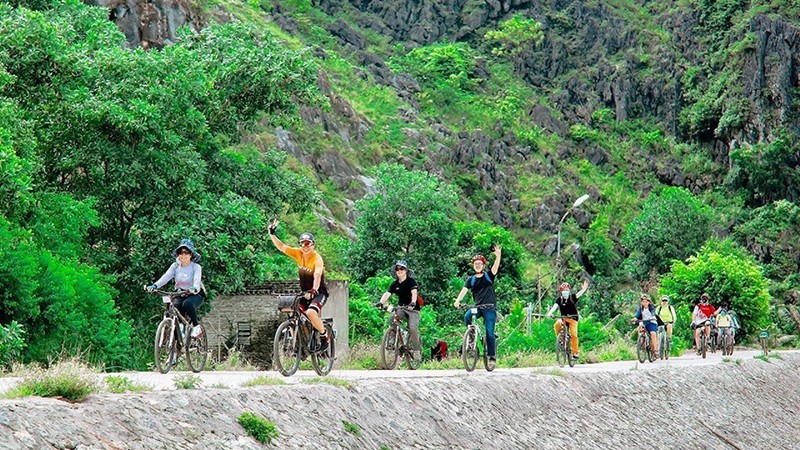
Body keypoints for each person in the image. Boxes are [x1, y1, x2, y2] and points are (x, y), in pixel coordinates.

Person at [269, 219, 329, 352]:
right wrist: (272, 234)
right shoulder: (298, 254)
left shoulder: (317, 258)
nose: (305, 247)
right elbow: (282, 247)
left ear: (313, 245)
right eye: (303, 244)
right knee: (291, 310)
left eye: (308, 244)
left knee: (311, 312)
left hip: (319, 293)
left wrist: (314, 290)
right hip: (305, 292)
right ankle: (298, 339)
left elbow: (317, 275)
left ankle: (324, 336)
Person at [146, 239, 207, 338]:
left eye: (186, 252)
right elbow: (166, 277)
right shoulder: (175, 266)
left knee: (187, 304)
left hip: (194, 294)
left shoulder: (196, 267)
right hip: (180, 293)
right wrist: (155, 286)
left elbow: (196, 281)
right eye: (181, 253)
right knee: (174, 308)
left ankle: (196, 327)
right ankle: (176, 348)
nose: (183, 255)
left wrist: (194, 288)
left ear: (191, 254)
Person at [453, 245, 502, 370]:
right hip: (478, 307)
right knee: (467, 316)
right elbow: (464, 290)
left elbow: (495, 268)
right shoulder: (471, 280)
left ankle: (491, 357)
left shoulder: (488, 277)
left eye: (480, 263)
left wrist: (498, 256)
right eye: (476, 263)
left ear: (483, 265)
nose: (478, 265)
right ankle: (472, 337)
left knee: (489, 333)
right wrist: (458, 300)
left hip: (490, 308)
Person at [378, 260, 422, 362]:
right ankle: (392, 338)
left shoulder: (411, 282)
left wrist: (413, 302)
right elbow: (387, 293)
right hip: (401, 308)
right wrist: (381, 302)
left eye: (402, 268)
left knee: (413, 329)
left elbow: (414, 292)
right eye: (397, 269)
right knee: (393, 317)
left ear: (406, 270)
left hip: (412, 309)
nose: (399, 271)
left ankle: (416, 350)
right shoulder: (394, 284)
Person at [546, 278, 589, 360]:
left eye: (567, 289)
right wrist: (549, 313)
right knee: (557, 324)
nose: (565, 291)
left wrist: (584, 289)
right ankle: (561, 339)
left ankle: (575, 353)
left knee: (574, 335)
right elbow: (554, 307)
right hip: (564, 318)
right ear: (561, 291)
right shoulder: (559, 299)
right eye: (563, 290)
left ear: (569, 290)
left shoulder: (572, 297)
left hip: (573, 319)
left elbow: (579, 294)